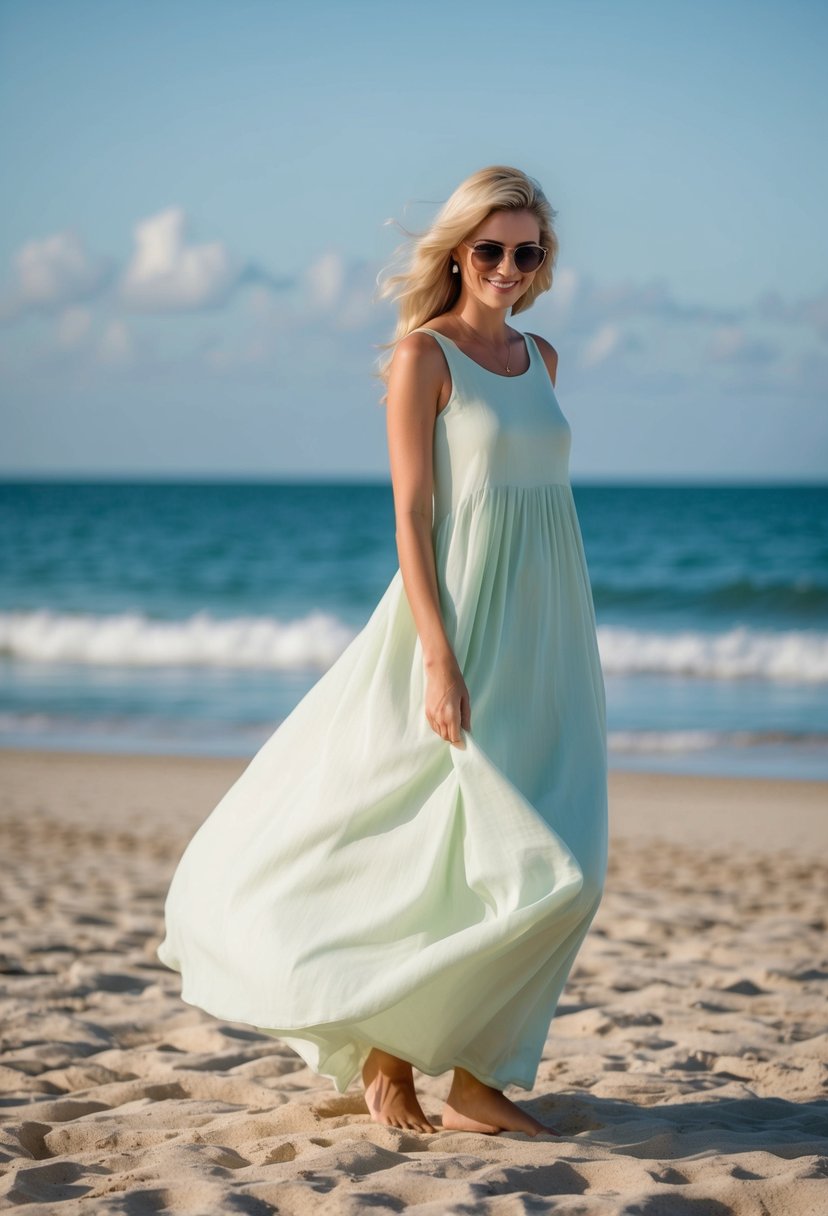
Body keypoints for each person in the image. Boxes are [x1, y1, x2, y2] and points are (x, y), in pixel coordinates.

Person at [157, 164, 608, 1140]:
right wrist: (438, 655)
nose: (505, 265)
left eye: (525, 252)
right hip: (455, 621)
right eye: (489, 247)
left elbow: (539, 503)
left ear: (540, 265)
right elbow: (412, 513)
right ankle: (389, 1057)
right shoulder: (423, 356)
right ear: (456, 251)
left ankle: (480, 1076)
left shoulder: (544, 359)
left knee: (563, 860)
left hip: (546, 630)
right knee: (433, 845)